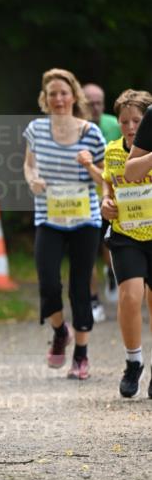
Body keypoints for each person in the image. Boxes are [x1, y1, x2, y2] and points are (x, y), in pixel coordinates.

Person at [23, 69, 106, 380]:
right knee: (47, 281)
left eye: (63, 93)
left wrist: (89, 164)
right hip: (49, 217)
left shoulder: (91, 134)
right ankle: (60, 332)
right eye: (52, 94)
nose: (58, 99)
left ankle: (81, 355)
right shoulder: (36, 130)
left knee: (80, 285)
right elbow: (29, 166)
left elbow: (104, 180)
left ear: (74, 96)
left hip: (85, 219)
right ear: (45, 99)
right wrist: (33, 181)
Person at [100, 90, 152, 398]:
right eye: (124, 122)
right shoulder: (113, 151)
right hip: (126, 232)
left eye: (136, 121)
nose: (131, 127)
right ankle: (134, 362)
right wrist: (106, 202)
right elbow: (109, 184)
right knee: (131, 296)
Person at [83, 82, 120, 316]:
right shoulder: (75, 127)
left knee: (109, 246)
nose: (95, 108)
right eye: (90, 103)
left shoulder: (116, 125)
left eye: (99, 103)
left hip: (110, 197)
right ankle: (93, 300)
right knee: (86, 251)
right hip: (83, 198)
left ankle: (111, 271)